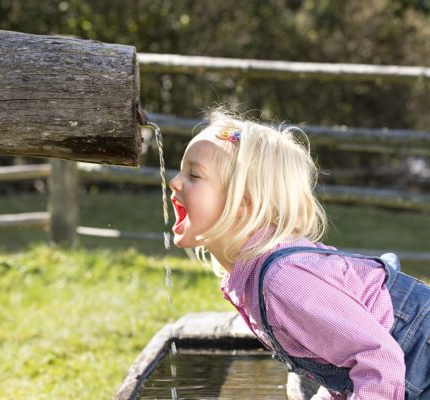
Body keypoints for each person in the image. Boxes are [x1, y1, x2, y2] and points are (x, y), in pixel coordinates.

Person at [168, 109, 430, 400]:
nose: (175, 181)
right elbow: (339, 359)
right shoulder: (256, 276)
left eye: (193, 175)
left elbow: (379, 359)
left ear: (243, 202)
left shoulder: (283, 282)